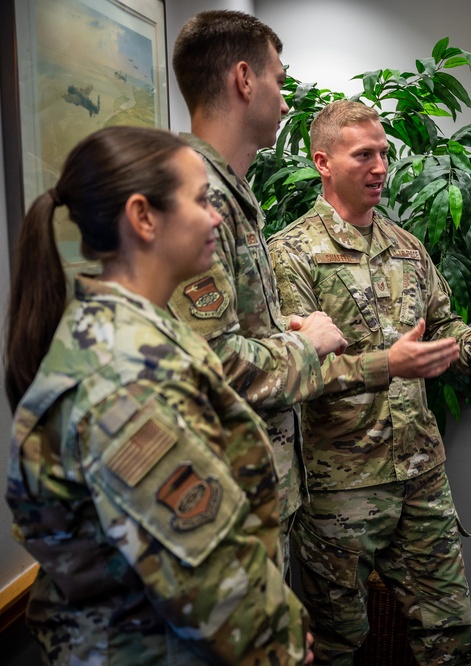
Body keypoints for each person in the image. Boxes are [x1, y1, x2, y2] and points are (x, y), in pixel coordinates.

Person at [4, 126, 312, 664]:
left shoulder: (139, 332)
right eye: (200, 201)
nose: (216, 216)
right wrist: (279, 643)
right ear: (144, 217)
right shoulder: (126, 375)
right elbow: (204, 567)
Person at [267, 99, 471, 665]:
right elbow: (291, 372)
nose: (380, 167)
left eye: (384, 154)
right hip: (340, 485)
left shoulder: (406, 246)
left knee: (451, 630)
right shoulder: (289, 255)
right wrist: (386, 365)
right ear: (322, 161)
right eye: (363, 155)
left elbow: (444, 323)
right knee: (338, 642)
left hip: (420, 472)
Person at [169, 10, 347, 556]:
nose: (287, 100)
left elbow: (225, 332)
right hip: (228, 504)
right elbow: (216, 366)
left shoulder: (229, 193)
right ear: (244, 80)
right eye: (279, 79)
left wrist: (278, 334)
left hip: (257, 489)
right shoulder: (200, 199)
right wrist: (307, 344)